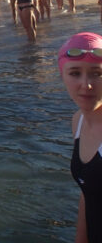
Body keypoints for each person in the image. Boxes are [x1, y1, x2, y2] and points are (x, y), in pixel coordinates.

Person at [58, 32, 102, 243]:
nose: (86, 84)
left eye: (97, 73)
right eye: (75, 73)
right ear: (62, 76)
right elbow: (88, 190)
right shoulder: (78, 121)